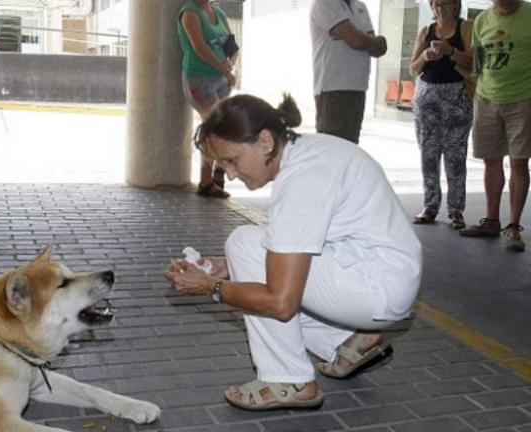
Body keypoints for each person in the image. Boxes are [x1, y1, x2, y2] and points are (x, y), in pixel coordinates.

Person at [165, 94, 422, 410]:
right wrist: (228, 267)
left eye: (232, 160)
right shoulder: (309, 153)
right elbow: (292, 247)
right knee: (246, 251)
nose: (230, 174)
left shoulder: (303, 178)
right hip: (382, 274)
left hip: (377, 288)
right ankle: (343, 341)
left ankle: (288, 380)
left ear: (265, 141)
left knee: (244, 244)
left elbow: (281, 303)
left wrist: (211, 287)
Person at [460, 0, 531, 252]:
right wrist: (477, 91)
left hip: (523, 99)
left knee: (518, 162)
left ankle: (513, 227)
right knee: (491, 160)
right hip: (487, 98)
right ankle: (491, 220)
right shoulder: (482, 20)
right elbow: (478, 62)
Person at [409, 0, 473, 229]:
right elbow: (413, 68)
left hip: (457, 97)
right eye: (434, 3)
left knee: (456, 156)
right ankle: (430, 206)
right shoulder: (426, 31)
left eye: (443, 3)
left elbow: (474, 62)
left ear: (455, 4)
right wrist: (426, 56)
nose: (438, 7)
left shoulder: (466, 28)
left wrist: (451, 51)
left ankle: (456, 210)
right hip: (427, 99)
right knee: (428, 154)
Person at [177, 0, 237, 198]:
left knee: (223, 125)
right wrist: (222, 67)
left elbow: (231, 45)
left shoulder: (218, 11)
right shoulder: (189, 12)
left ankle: (219, 171)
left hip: (222, 79)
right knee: (212, 127)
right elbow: (198, 46)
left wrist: (230, 66)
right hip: (199, 79)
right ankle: (205, 180)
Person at [309, 0, 388, 144]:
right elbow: (356, 41)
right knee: (332, 149)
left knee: (350, 147)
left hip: (358, 88)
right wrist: (372, 40)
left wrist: (364, 39)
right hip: (333, 89)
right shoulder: (324, 3)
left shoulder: (360, 6)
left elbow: (378, 50)